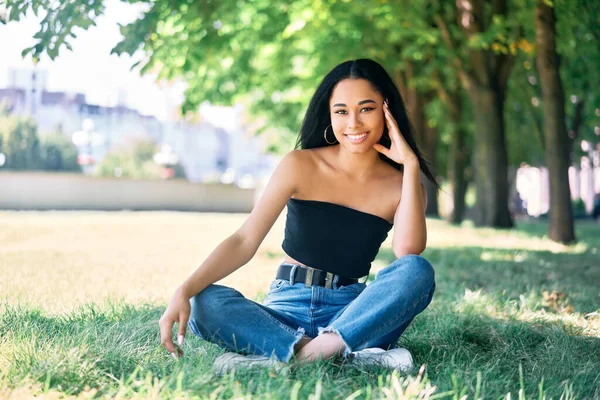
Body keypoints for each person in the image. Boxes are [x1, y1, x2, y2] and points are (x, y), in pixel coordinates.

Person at [159, 58, 438, 374]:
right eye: (342, 111)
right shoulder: (300, 164)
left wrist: (410, 165)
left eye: (367, 109)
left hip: (353, 313)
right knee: (202, 301)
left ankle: (290, 356)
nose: (354, 123)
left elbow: (407, 254)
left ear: (387, 111)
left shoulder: (401, 185)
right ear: (329, 116)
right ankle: (336, 355)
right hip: (286, 307)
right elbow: (244, 240)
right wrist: (183, 290)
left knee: (417, 270)